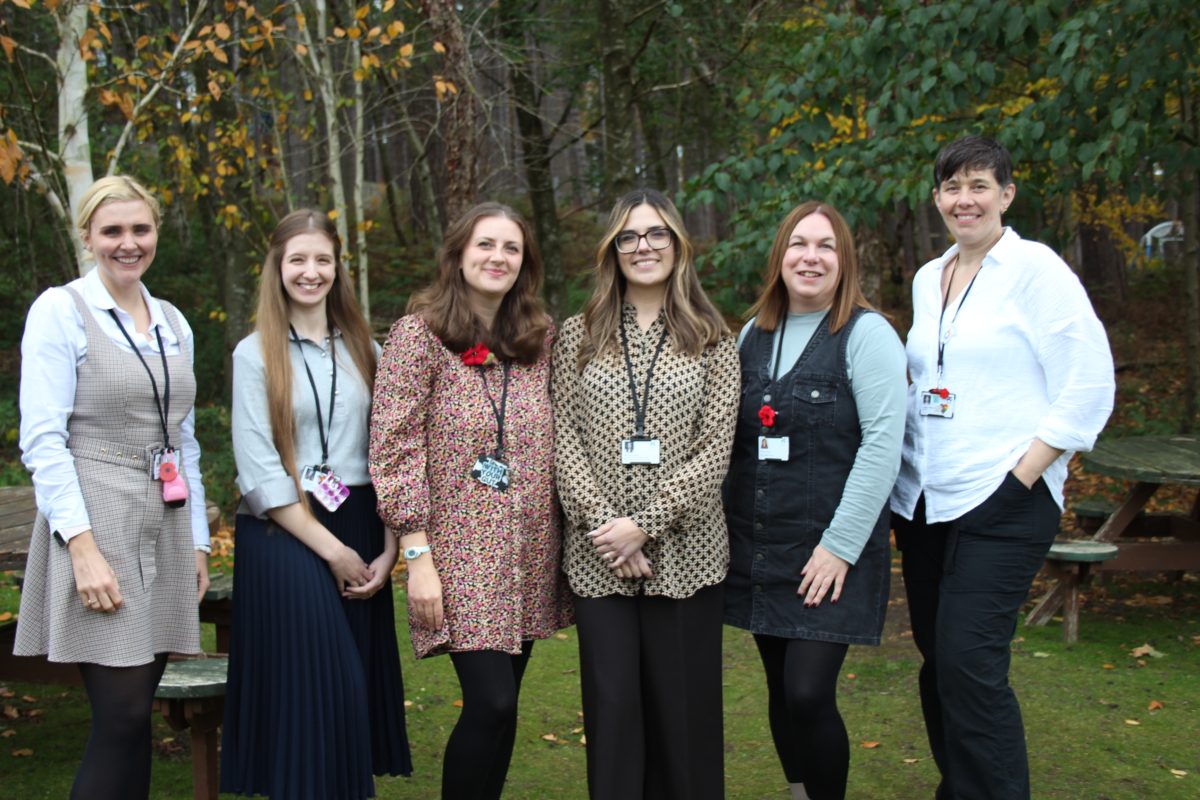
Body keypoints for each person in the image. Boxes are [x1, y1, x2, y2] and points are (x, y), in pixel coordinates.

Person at [890, 136, 1115, 799]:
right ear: (937, 198)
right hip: (926, 501)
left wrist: (1022, 476)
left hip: (1004, 497)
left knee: (969, 662)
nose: (965, 199)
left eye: (979, 185)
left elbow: (1089, 385)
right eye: (952, 187)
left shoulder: (1035, 269)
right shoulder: (928, 278)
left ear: (1006, 195)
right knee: (940, 663)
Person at [14, 175, 211, 799]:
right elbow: (43, 441)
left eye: (140, 229)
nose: (129, 243)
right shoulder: (61, 310)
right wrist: (81, 546)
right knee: (121, 715)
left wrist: (198, 541)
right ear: (87, 237)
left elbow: (184, 438)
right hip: (98, 518)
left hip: (165, 520)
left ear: (156, 233)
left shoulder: (172, 320)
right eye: (113, 231)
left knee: (135, 719)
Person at [369, 202, 573, 800]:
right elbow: (394, 448)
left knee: (506, 710)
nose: (497, 258)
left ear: (525, 263)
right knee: (491, 702)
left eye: (511, 248)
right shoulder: (419, 336)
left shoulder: (540, 338)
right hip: (457, 553)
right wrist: (417, 557)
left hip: (528, 548)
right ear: (458, 254)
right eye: (485, 244)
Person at [553, 188, 739, 800]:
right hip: (599, 558)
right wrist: (609, 529)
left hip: (687, 556)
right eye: (629, 237)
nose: (643, 247)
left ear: (677, 244)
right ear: (613, 250)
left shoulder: (713, 338)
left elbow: (715, 448)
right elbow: (564, 439)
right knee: (613, 718)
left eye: (657, 233)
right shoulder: (578, 335)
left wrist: (646, 525)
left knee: (684, 723)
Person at [220, 209, 412, 799]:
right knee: (325, 683)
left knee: (350, 691)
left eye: (322, 259)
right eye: (297, 259)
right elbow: (259, 471)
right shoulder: (254, 354)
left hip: (361, 521)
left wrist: (389, 549)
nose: (311, 272)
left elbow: (392, 451)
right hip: (285, 529)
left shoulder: (366, 349)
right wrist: (334, 552)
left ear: (337, 267)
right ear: (277, 267)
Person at [724, 201, 907, 800]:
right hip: (762, 546)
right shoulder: (753, 335)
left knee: (808, 691)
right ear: (780, 256)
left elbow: (883, 446)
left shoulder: (867, 334)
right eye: (798, 244)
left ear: (843, 260)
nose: (811, 257)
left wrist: (840, 547)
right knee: (780, 689)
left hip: (829, 551)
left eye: (825, 246)